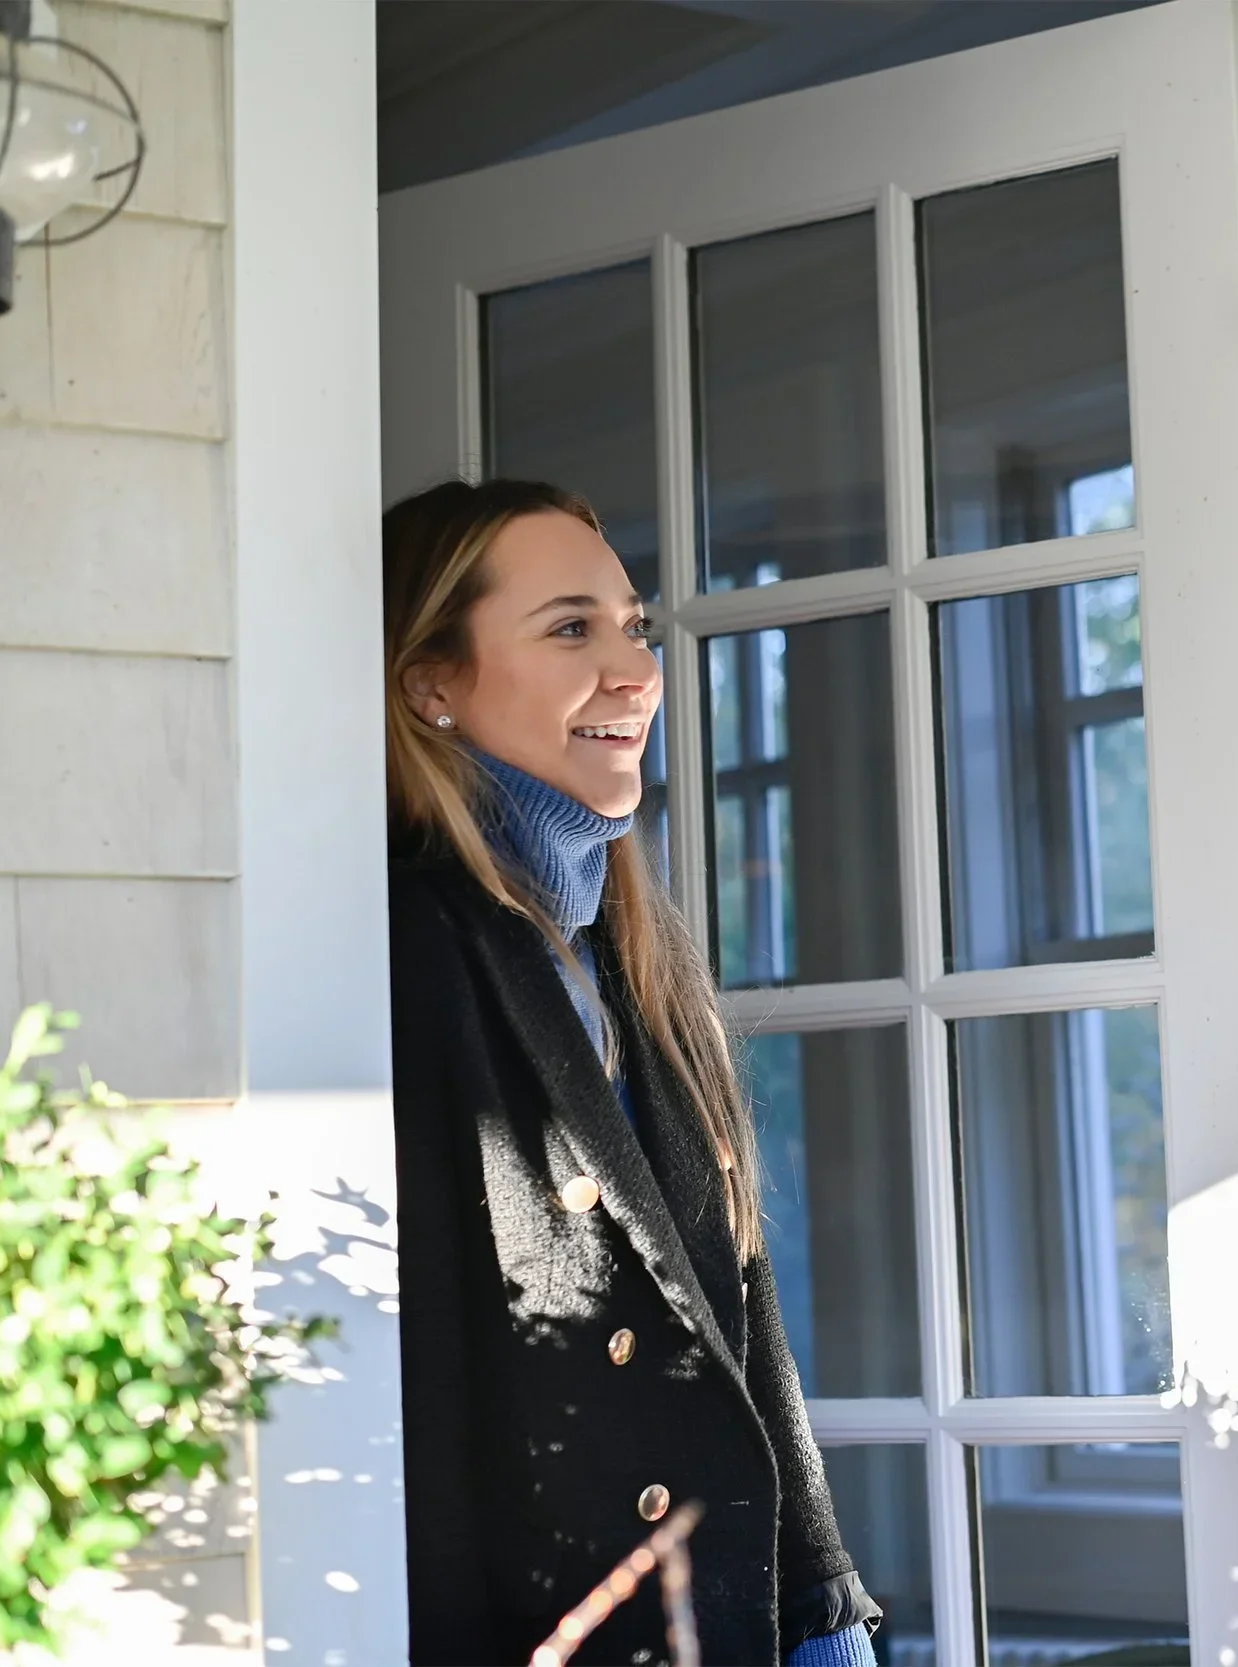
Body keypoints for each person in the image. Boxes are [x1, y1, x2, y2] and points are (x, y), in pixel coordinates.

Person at [384, 478, 880, 1666]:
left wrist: (823, 1609)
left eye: (634, 628)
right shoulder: (402, 952)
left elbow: (736, 1332)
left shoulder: (638, 957)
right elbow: (436, 1405)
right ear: (430, 683)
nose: (634, 670)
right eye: (570, 629)